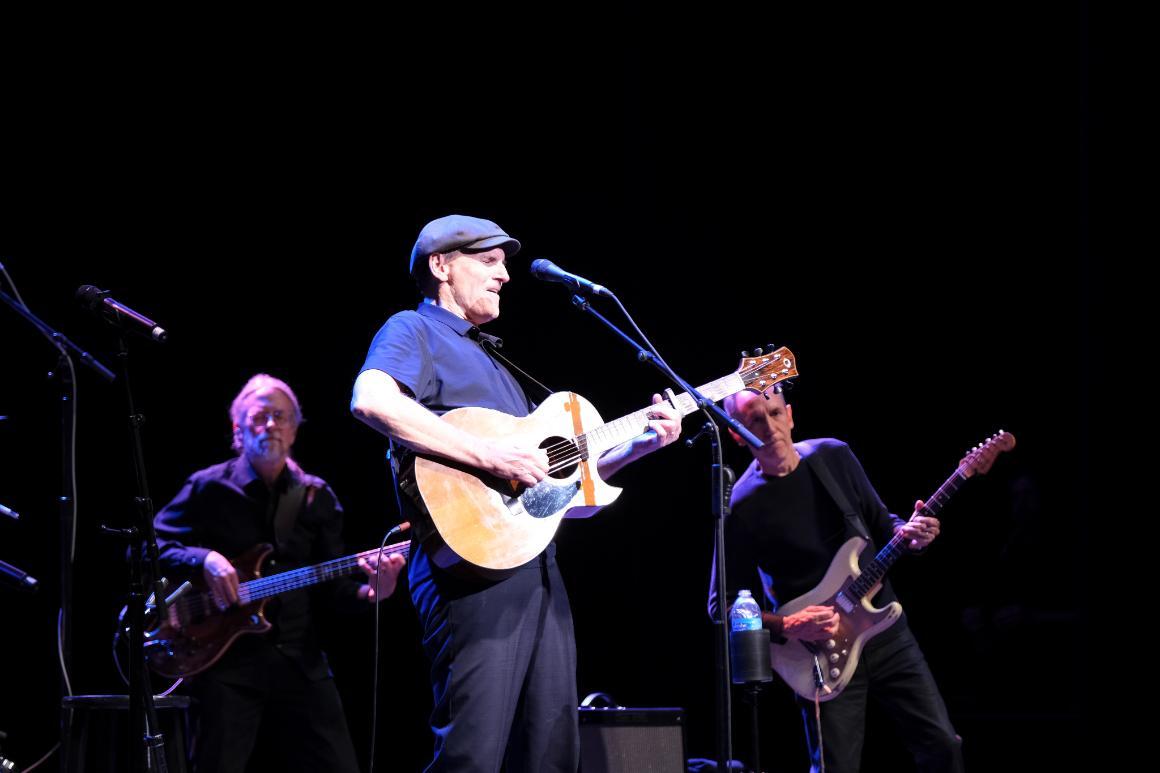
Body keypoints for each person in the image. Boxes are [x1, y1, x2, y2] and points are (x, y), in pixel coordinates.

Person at [350, 214, 682, 772]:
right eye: (488, 260)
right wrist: (490, 455)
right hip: (469, 577)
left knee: (552, 752)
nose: (505, 274)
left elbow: (553, 493)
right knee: (472, 755)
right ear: (441, 267)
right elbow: (372, 400)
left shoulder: (497, 360)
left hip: (537, 571)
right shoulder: (413, 329)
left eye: (504, 262)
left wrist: (643, 445)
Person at [154, 374, 406, 773]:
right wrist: (204, 559)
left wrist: (375, 591)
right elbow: (152, 545)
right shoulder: (207, 488)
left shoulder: (317, 497)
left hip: (299, 661)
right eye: (260, 417)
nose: (270, 425)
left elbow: (335, 591)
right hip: (225, 664)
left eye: (281, 417)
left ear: (294, 429)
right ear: (238, 429)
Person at [708, 387, 963, 773]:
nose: (771, 427)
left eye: (776, 413)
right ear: (736, 433)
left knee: (943, 747)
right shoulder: (739, 505)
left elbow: (884, 525)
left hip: (885, 634)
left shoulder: (833, 456)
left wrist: (913, 534)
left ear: (790, 415)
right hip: (818, 657)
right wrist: (789, 624)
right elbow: (721, 606)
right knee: (835, 767)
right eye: (756, 420)